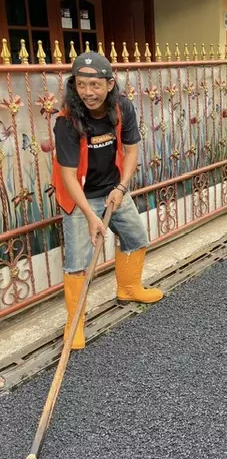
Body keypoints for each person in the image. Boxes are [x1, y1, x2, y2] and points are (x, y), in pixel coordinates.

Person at [53, 52, 163, 350]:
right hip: (79, 197)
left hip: (113, 189)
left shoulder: (122, 107)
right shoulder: (67, 120)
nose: (87, 92)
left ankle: (128, 289)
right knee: (78, 261)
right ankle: (75, 321)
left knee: (135, 237)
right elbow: (68, 175)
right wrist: (90, 215)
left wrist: (122, 188)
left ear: (110, 83)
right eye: (80, 84)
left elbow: (130, 151)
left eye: (95, 85)